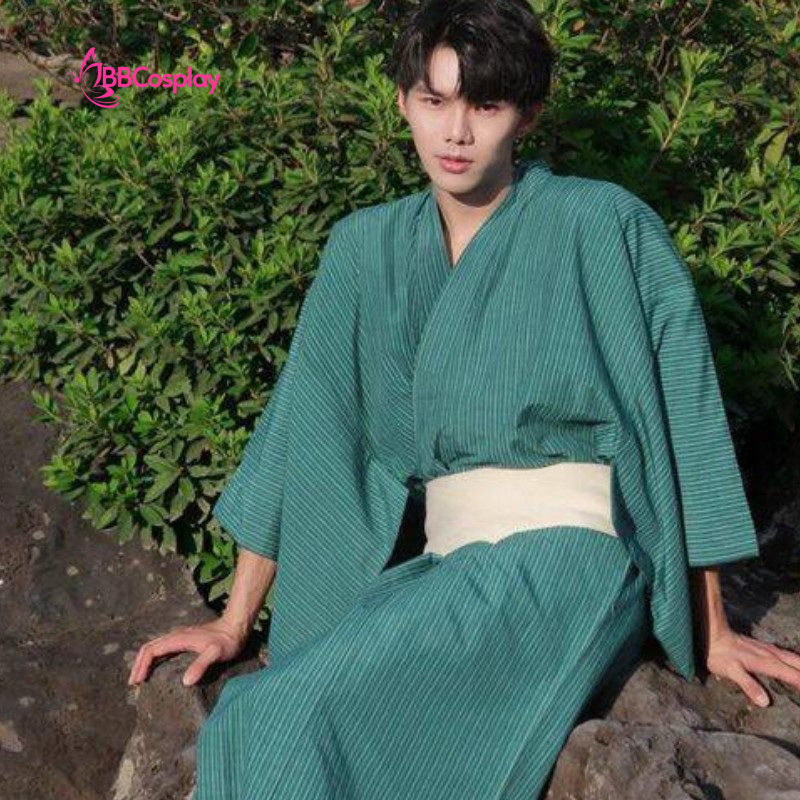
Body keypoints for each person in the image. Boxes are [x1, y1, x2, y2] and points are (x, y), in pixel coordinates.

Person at [128, 1, 800, 797]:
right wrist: (235, 621)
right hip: (448, 563)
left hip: (572, 557)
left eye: (485, 106)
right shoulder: (364, 249)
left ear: (528, 114)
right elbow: (304, 428)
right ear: (403, 102)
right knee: (253, 718)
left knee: (283, 719)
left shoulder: (602, 223)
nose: (455, 132)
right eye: (435, 100)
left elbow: (680, 415)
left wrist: (711, 627)